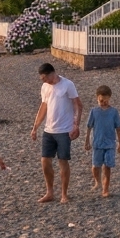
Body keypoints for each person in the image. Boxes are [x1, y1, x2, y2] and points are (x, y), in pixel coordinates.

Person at [29, 62, 82, 203]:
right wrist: (35, 127)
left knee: (63, 161)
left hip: (64, 130)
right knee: (45, 161)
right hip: (49, 130)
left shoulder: (67, 85)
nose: (44, 81)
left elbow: (78, 104)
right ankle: (50, 192)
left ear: (52, 73)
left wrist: (76, 125)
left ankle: (64, 194)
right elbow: (43, 106)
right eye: (42, 79)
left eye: (45, 78)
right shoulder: (45, 87)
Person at [85, 85, 120, 197]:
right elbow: (89, 127)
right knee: (95, 166)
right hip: (97, 143)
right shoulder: (94, 112)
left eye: (106, 100)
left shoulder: (114, 112)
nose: (103, 103)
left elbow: (118, 129)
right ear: (97, 99)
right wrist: (87, 141)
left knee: (107, 166)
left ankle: (105, 189)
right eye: (101, 100)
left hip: (110, 143)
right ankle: (97, 181)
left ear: (109, 98)